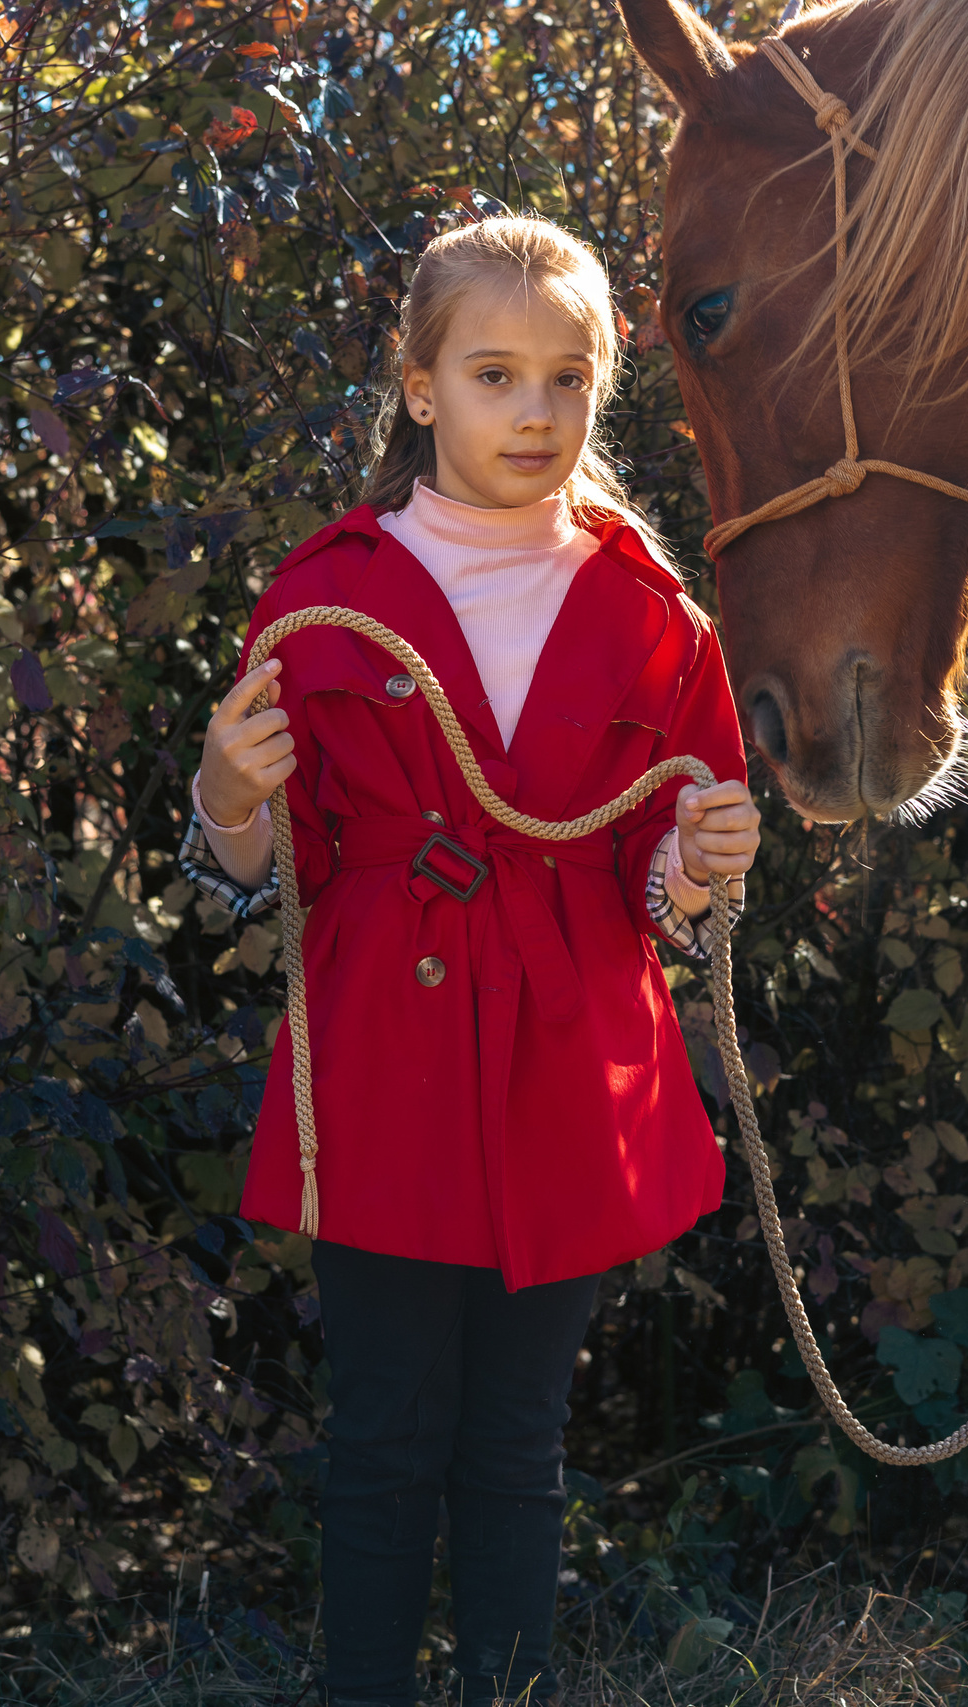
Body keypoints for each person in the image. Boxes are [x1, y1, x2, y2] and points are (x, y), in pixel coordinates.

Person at [179, 214, 761, 1707]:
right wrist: (227, 801)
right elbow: (262, 874)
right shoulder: (321, 591)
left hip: (573, 1050)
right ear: (423, 388)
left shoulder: (654, 614)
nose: (537, 411)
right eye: (496, 374)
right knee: (381, 1435)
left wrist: (694, 867)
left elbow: (659, 882)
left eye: (569, 378)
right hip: (385, 1044)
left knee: (516, 1441)